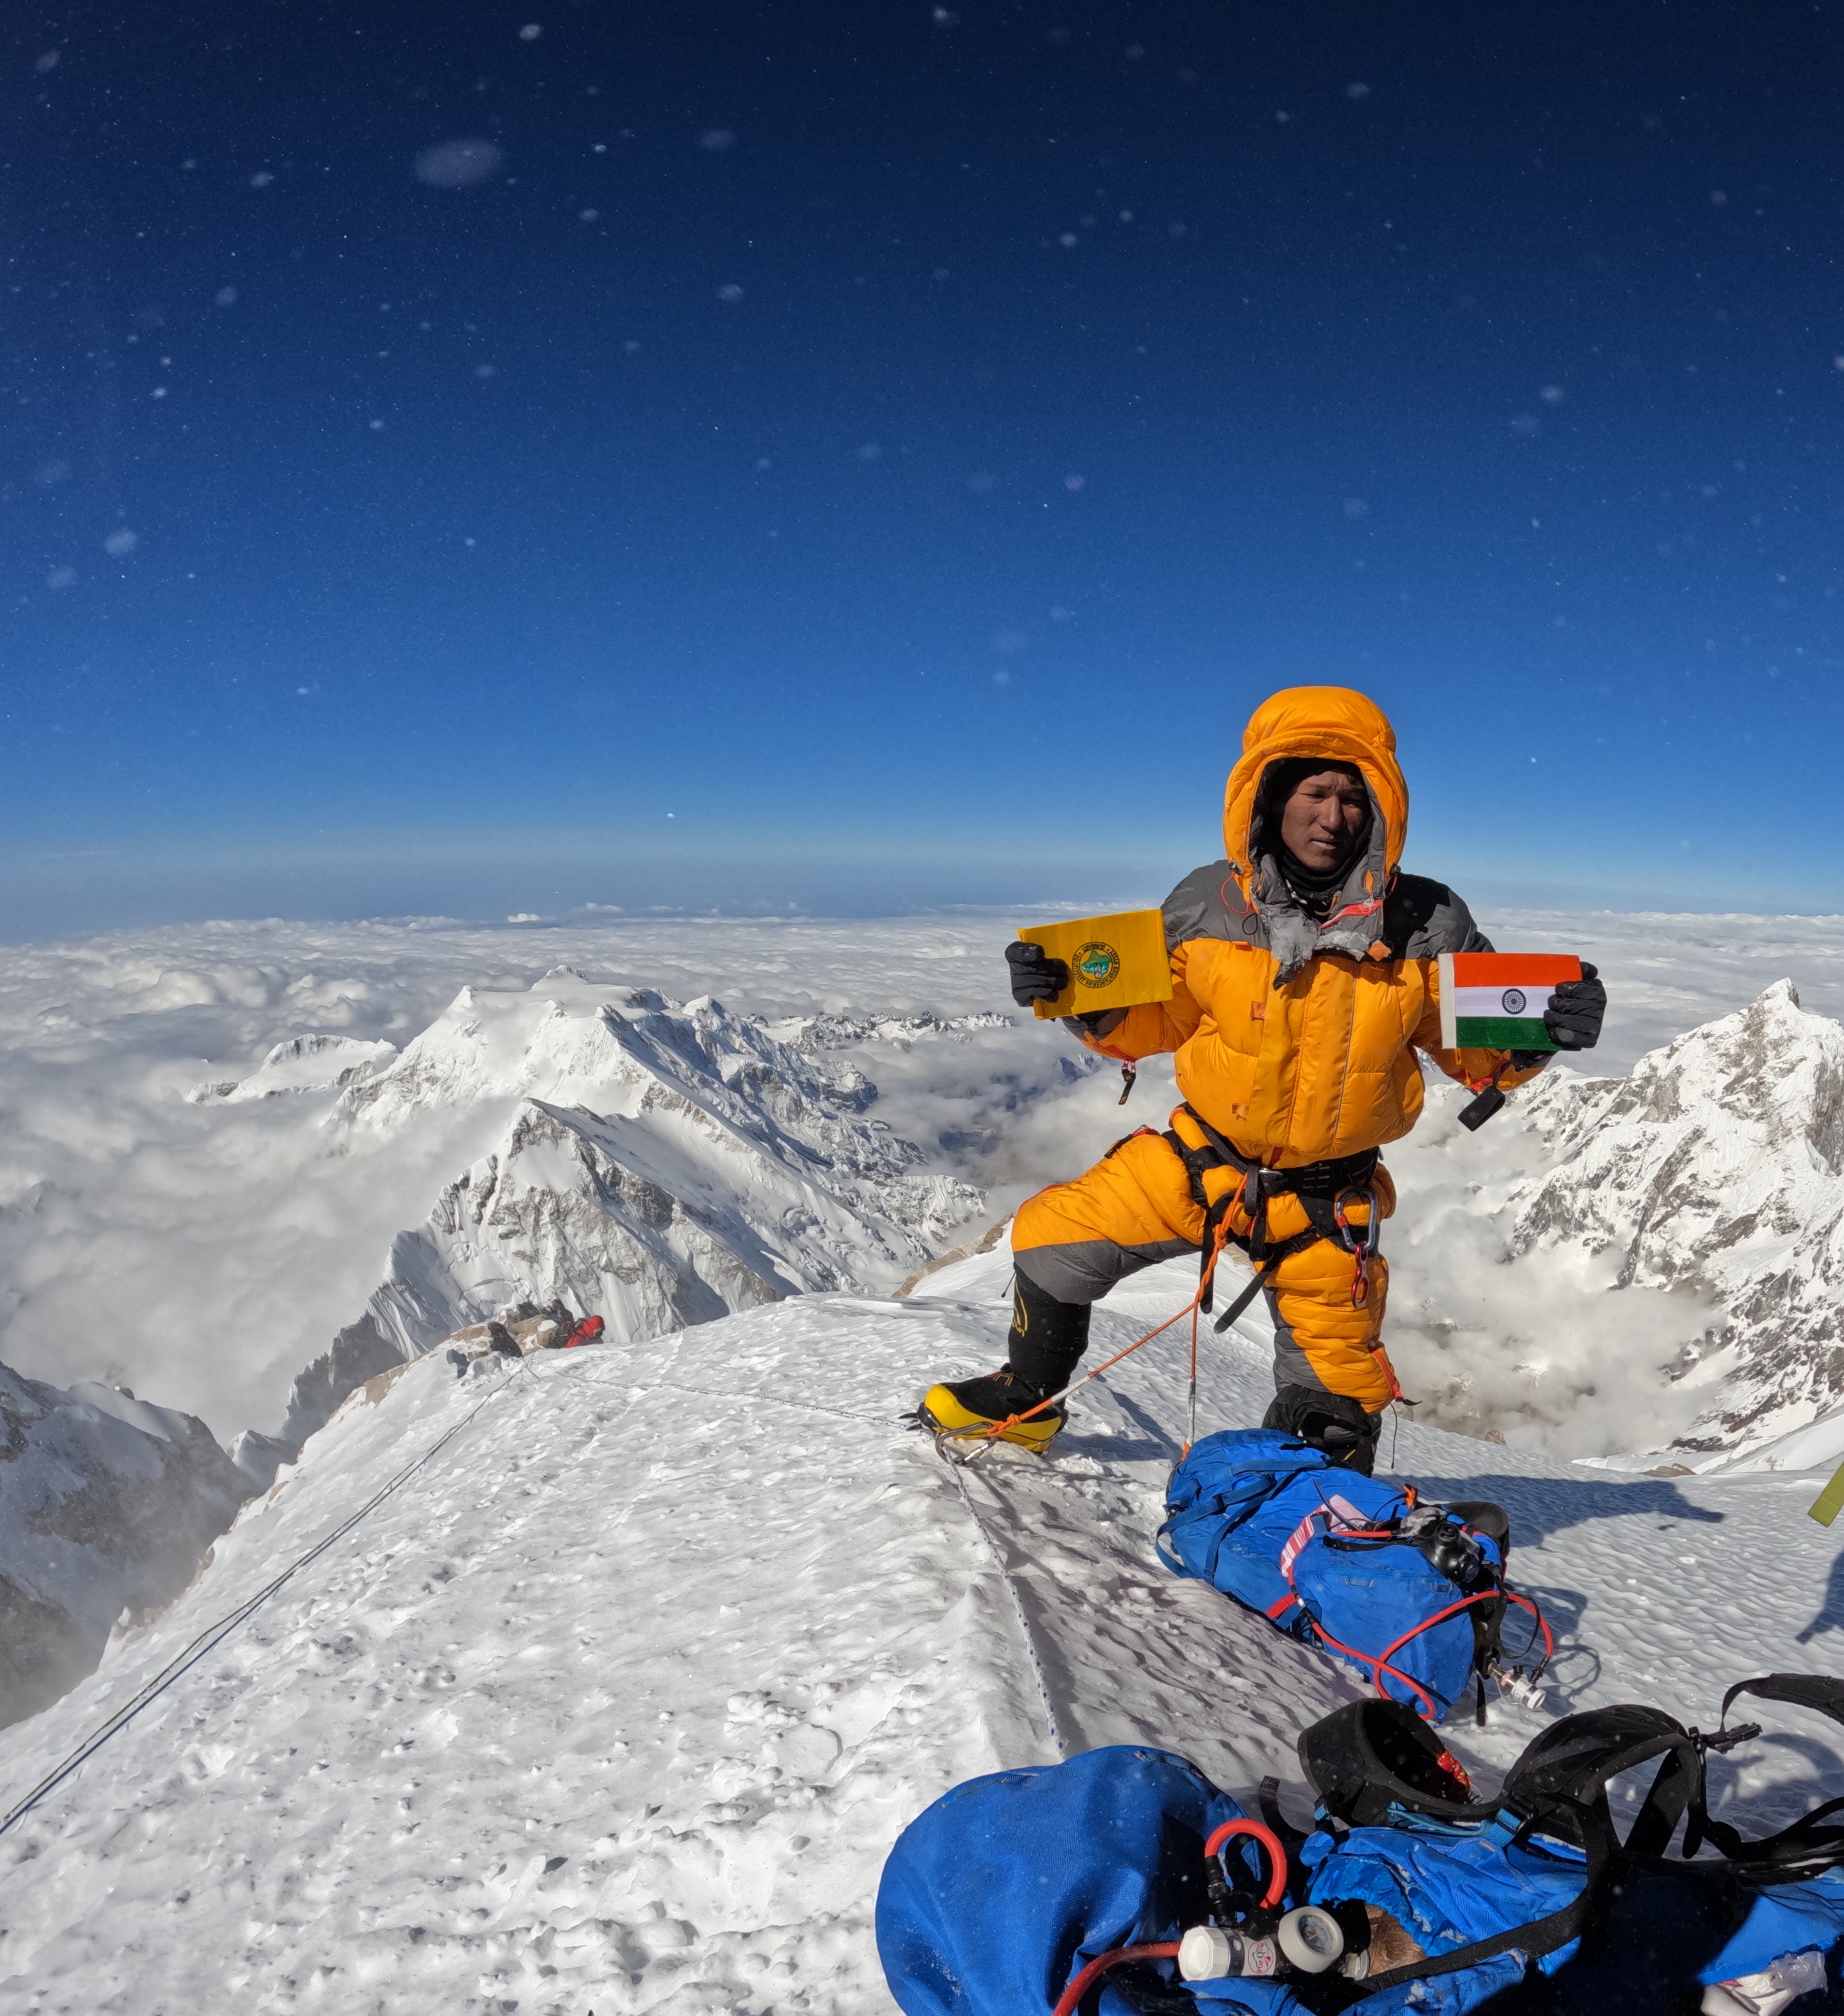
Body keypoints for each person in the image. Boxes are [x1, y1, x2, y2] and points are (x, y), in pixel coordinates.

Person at [917, 686, 1606, 1473]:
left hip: (1326, 1202)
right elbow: (1163, 1023)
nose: (1334, 815)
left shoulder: (1430, 923)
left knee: (1334, 1406)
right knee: (1050, 1240)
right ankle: (1026, 1400)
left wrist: (1543, 1036)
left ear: (1382, 806)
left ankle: (1311, 1510)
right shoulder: (1207, 904)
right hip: (1200, 1163)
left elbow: (1473, 1054)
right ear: (1269, 797)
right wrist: (1080, 1004)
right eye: (1314, 791)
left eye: (1355, 795)